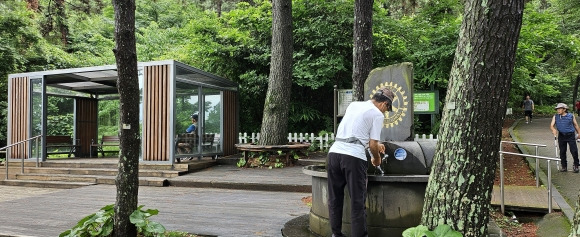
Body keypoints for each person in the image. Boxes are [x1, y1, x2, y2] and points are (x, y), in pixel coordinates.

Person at [327, 87, 393, 237]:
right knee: (357, 201)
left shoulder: (354, 105)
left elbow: (357, 132)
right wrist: (376, 159)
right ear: (385, 104)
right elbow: (372, 144)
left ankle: (336, 234)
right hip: (353, 158)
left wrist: (376, 145)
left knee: (334, 198)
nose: (385, 112)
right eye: (387, 109)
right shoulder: (377, 114)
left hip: (334, 153)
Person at [550, 103, 580, 173]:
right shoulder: (556, 116)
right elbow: (551, 125)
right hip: (561, 135)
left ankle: (576, 165)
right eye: (557, 109)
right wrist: (553, 129)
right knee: (562, 151)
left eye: (559, 109)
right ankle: (564, 166)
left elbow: (576, 125)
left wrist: (579, 133)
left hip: (570, 135)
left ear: (564, 109)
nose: (558, 110)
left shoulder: (571, 116)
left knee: (574, 151)